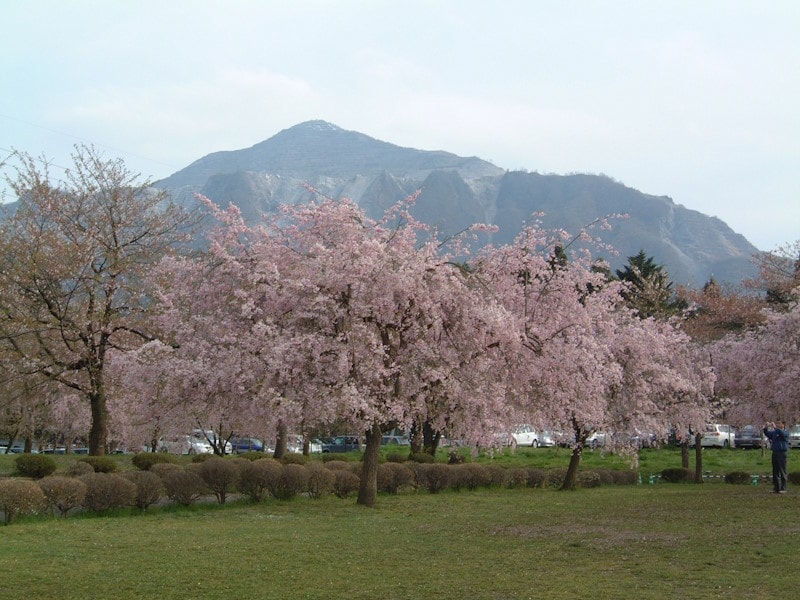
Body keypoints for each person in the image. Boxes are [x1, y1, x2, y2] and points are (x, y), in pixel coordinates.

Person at [763, 421, 790, 493]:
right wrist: (766, 427)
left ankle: (783, 488)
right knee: (775, 471)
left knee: (782, 470)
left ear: (783, 425)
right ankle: (776, 488)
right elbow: (767, 434)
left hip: (782, 453)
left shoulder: (786, 432)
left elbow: (782, 435)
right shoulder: (774, 433)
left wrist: (775, 428)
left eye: (779, 423)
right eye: (777, 423)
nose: (778, 425)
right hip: (775, 453)